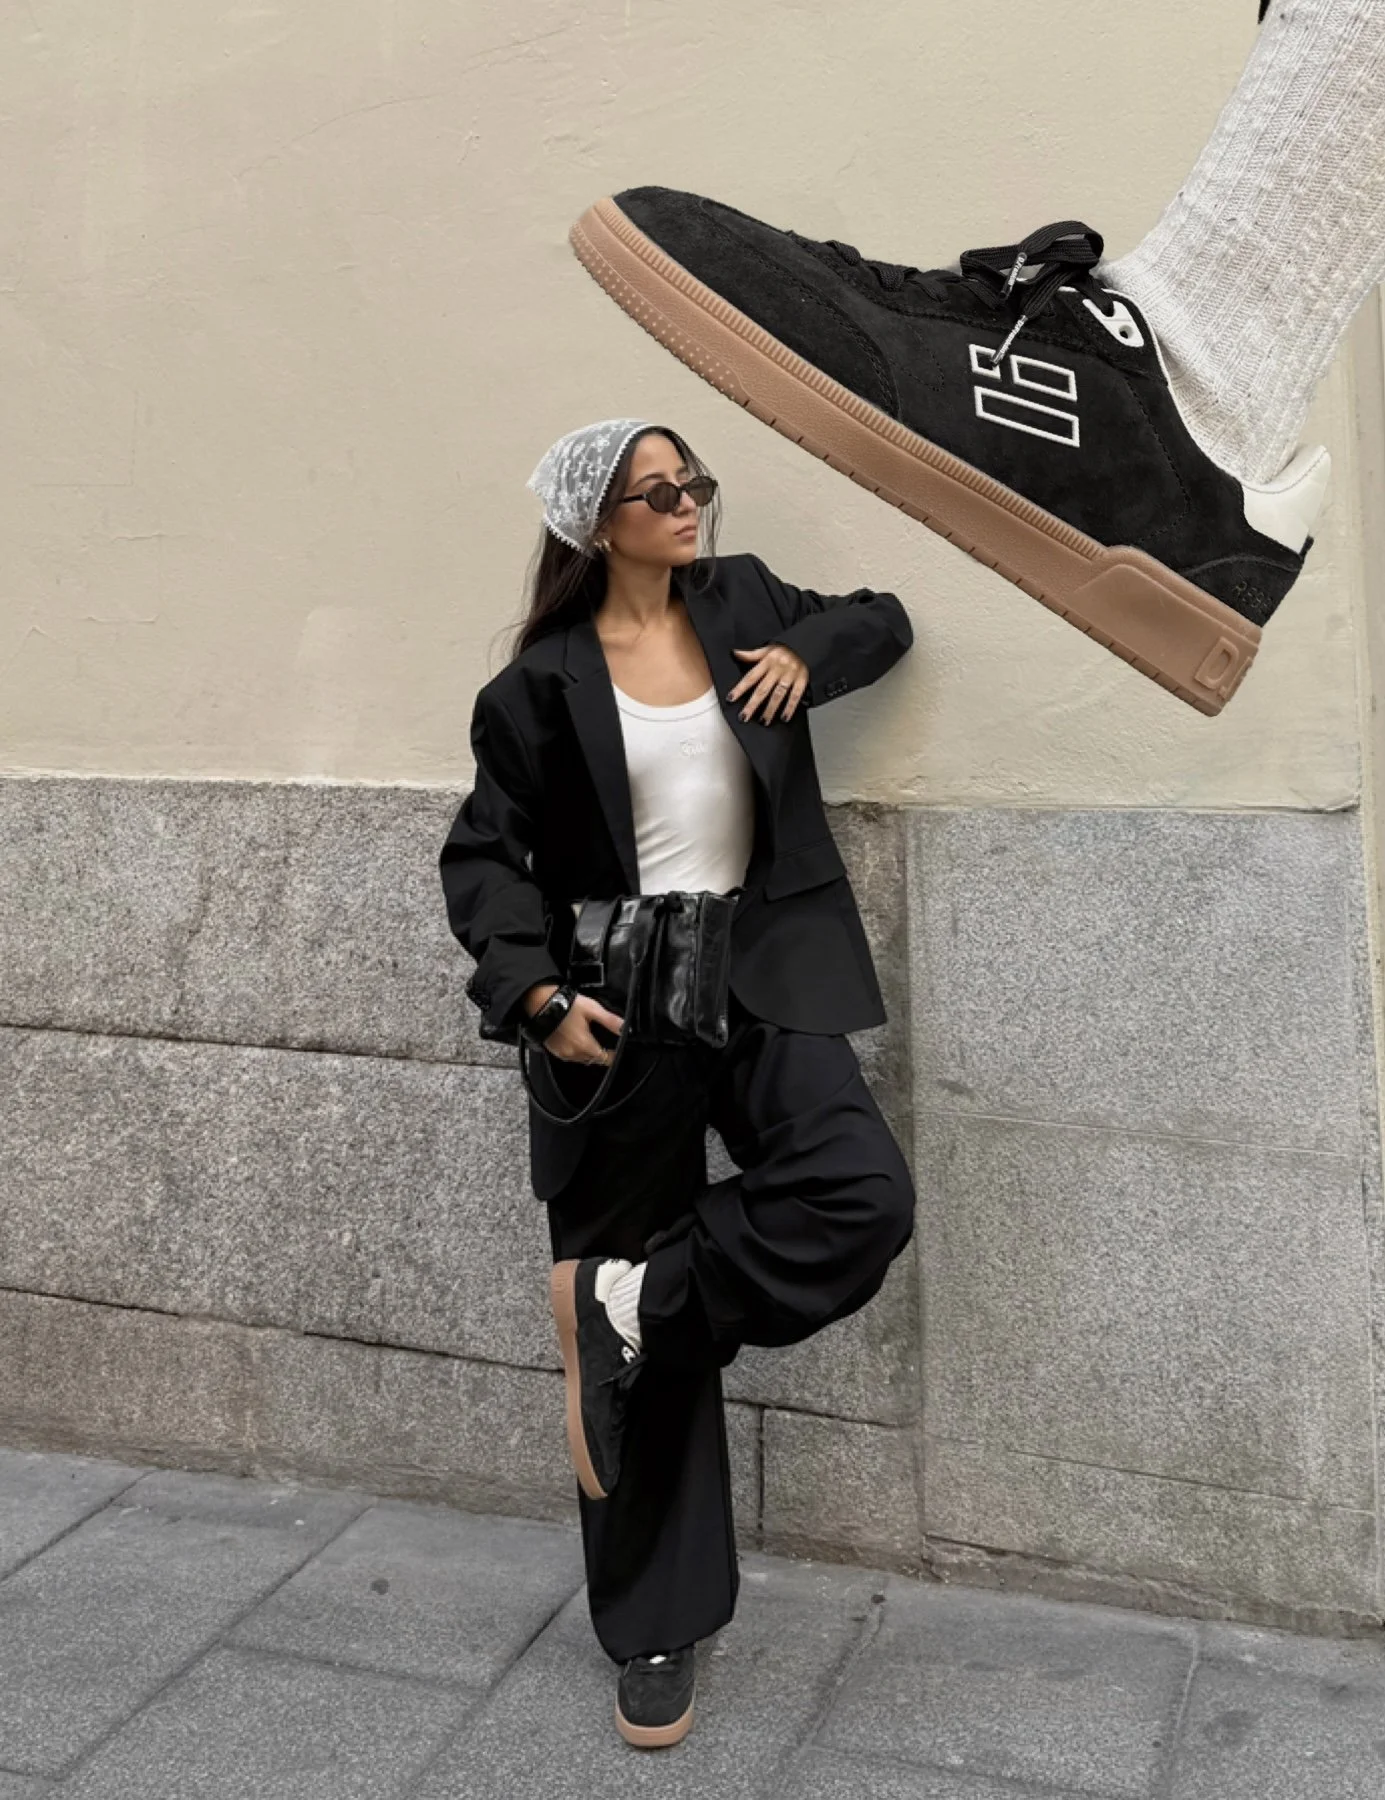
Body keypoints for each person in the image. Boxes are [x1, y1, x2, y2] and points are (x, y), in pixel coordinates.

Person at [438, 418, 917, 1749]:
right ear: (601, 523)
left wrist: (807, 656)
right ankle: (653, 1622)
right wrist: (534, 995)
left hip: (760, 965)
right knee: (629, 1314)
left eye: (693, 480)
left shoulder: (748, 597)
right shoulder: (537, 686)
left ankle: (632, 1303)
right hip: (622, 990)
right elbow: (485, 863)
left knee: (857, 1191)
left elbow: (884, 620)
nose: (688, 503)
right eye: (659, 492)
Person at [566, 0, 1382, 718]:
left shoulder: (736, 598)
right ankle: (1206, 400)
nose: (682, 503)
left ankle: (1195, 384)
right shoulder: (555, 678)